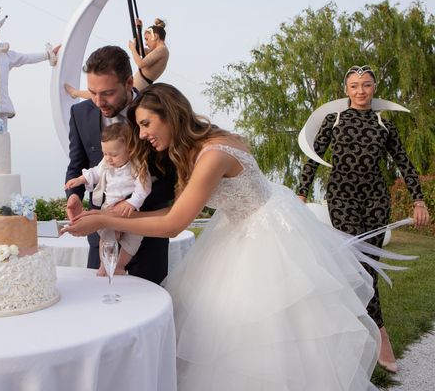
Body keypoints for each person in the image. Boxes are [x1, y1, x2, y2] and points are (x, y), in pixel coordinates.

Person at [64, 83, 396, 390]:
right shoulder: (199, 147)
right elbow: (174, 212)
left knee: (263, 336)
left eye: (146, 123)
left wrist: (101, 221)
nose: (142, 133)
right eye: (138, 126)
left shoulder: (212, 156)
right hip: (236, 227)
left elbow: (173, 225)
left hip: (267, 239)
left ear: (170, 113)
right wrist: (103, 216)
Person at [297, 65, 430, 373]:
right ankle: (378, 332)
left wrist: (419, 199)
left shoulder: (384, 123)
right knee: (356, 262)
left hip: (375, 201)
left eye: (366, 85)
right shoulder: (335, 120)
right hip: (342, 199)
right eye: (354, 85)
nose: (360, 91)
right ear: (346, 89)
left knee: (365, 264)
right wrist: (301, 194)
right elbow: (311, 160)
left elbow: (404, 164)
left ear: (374, 88)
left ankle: (368, 330)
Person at [65, 45, 176, 284]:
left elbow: (170, 178)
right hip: (102, 237)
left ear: (128, 83)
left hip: (148, 235)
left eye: (107, 93)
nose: (98, 101)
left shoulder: (156, 112)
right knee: (100, 308)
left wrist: (132, 207)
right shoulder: (80, 114)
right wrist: (73, 195)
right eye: (92, 92)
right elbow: (77, 164)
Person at [65, 123, 151, 276]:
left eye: (114, 154)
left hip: (130, 212)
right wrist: (79, 180)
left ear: (130, 150)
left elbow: (143, 188)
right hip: (108, 210)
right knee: (106, 237)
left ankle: (120, 265)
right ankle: (105, 265)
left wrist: (132, 202)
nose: (108, 158)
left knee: (135, 238)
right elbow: (95, 173)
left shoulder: (137, 166)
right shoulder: (106, 163)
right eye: (105, 153)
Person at [64, 18, 169, 99]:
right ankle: (76, 93)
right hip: (138, 83)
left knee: (106, 93)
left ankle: (75, 93)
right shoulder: (157, 51)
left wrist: (132, 49)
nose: (146, 43)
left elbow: (140, 63)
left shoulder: (162, 50)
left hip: (139, 86)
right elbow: (140, 50)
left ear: (154, 36)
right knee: (107, 92)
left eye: (147, 39)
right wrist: (139, 30)